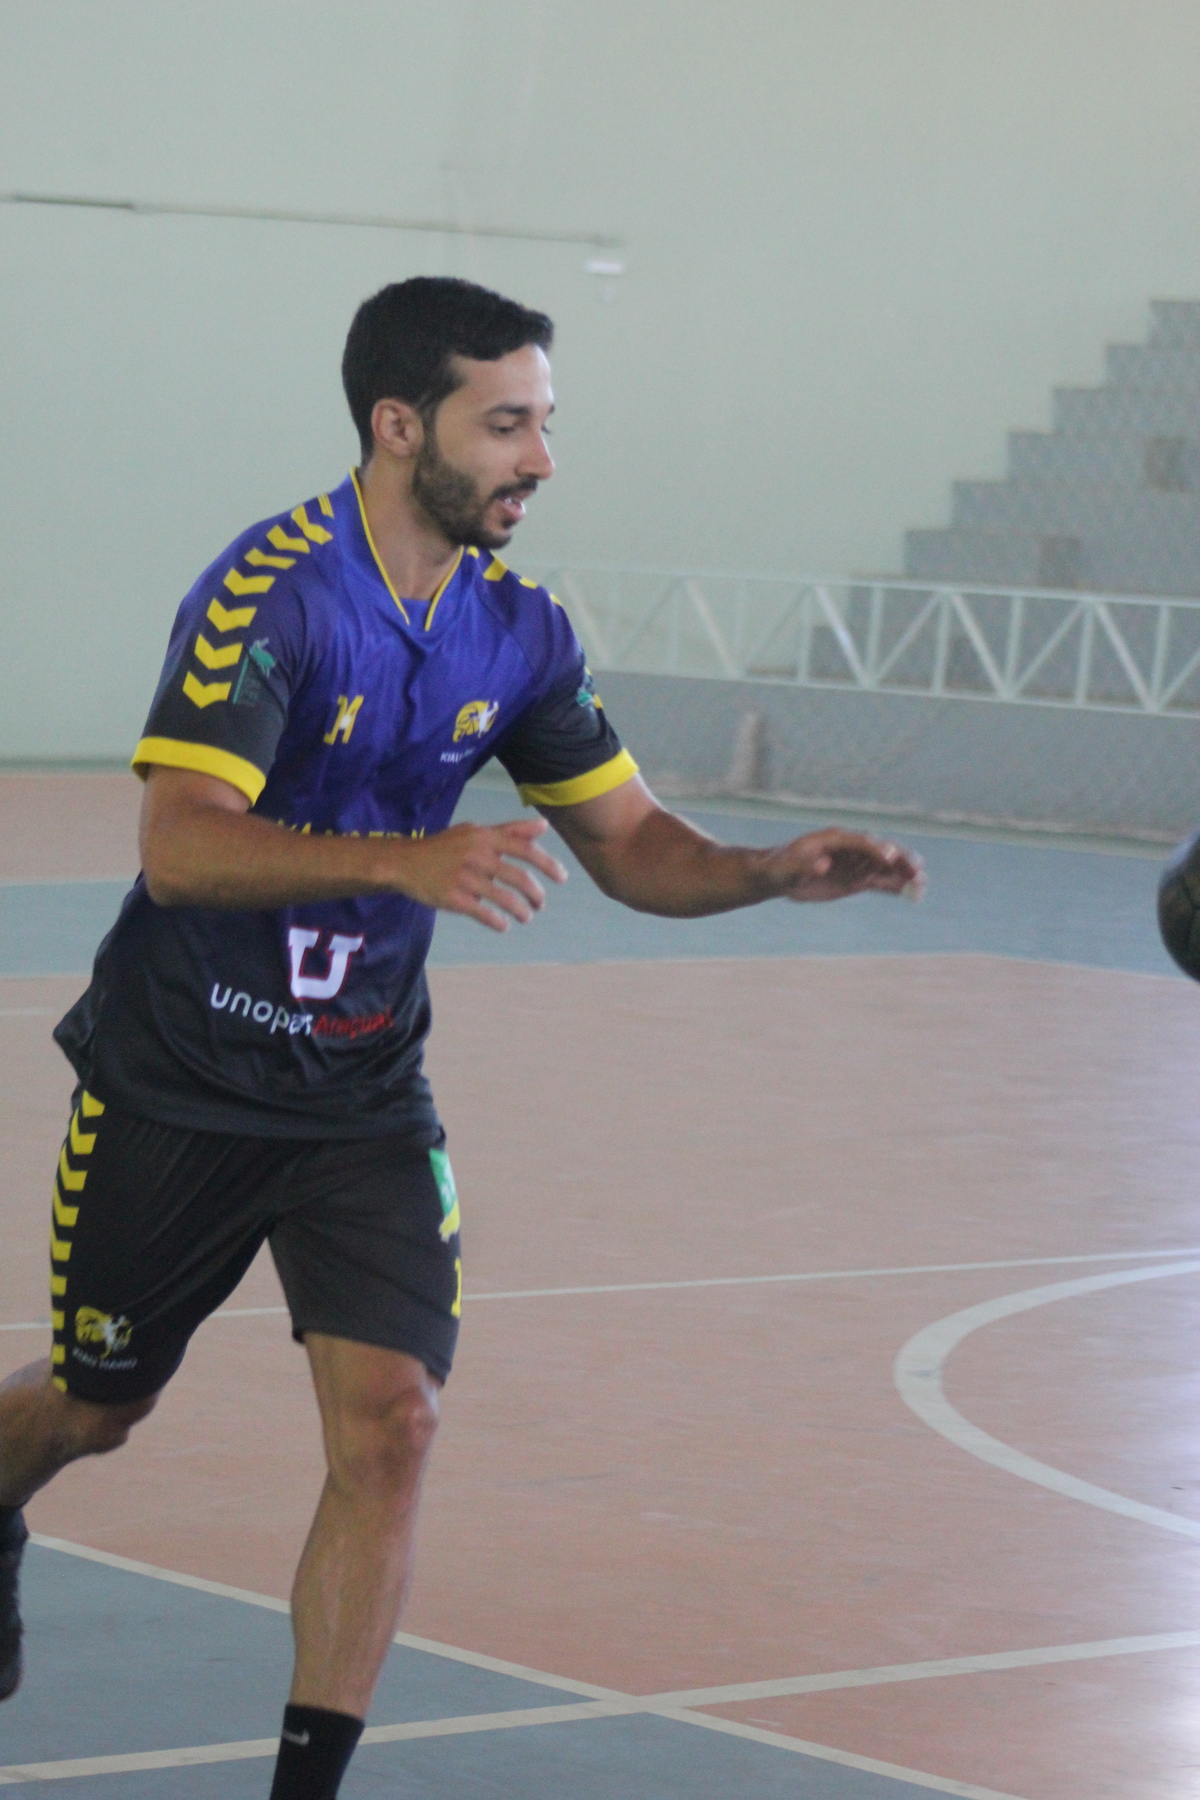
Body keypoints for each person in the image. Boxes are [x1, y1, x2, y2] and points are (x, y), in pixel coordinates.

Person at [0, 276, 922, 1799]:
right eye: (507, 427)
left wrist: (767, 871)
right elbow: (181, 846)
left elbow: (629, 842)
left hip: (362, 1090)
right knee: (98, 1405)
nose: (540, 460)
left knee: (395, 1423)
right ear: (398, 425)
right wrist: (407, 861)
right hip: (183, 1078)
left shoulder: (520, 632)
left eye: (545, 424)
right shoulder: (274, 595)